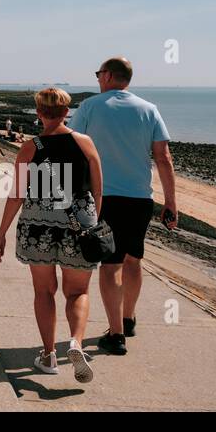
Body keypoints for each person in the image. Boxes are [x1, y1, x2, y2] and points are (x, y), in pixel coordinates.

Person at [0, 88, 104, 382]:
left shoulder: (30, 148)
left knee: (44, 291)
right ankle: (76, 344)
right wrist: (92, 224)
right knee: (78, 291)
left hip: (37, 225)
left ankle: (48, 355)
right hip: (79, 224)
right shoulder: (85, 144)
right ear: (67, 112)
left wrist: (2, 233)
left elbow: (16, 195)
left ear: (39, 114)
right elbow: (97, 189)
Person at [70, 56, 178, 355]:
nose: (97, 78)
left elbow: (72, 148)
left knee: (110, 264)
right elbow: (163, 158)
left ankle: (116, 334)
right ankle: (128, 318)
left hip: (103, 198)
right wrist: (170, 201)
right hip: (140, 199)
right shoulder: (149, 109)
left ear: (108, 76)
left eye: (98, 73)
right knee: (134, 259)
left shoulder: (90, 107)